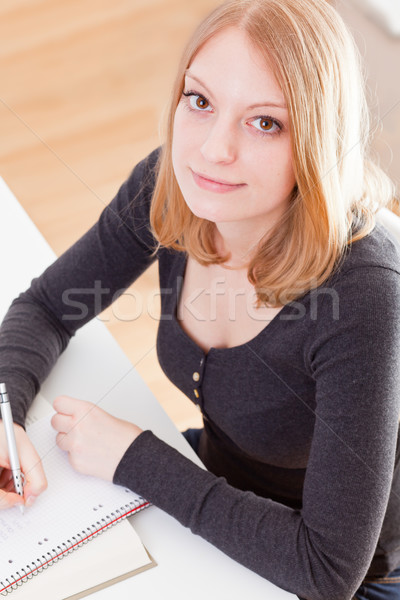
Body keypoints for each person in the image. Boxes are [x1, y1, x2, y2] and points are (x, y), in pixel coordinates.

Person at [0, 0, 400, 598]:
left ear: (319, 142)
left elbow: (327, 570)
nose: (213, 150)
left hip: (346, 566)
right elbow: (48, 307)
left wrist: (137, 457)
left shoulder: (366, 298)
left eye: (265, 122)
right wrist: (2, 414)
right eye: (201, 101)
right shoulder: (174, 187)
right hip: (217, 483)